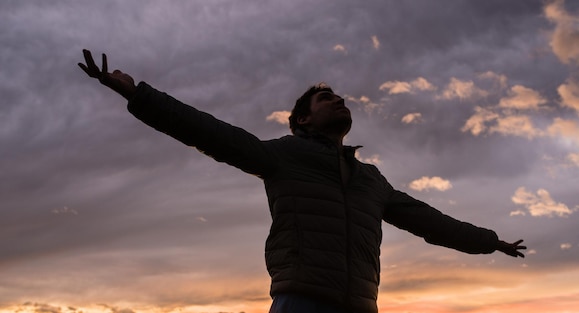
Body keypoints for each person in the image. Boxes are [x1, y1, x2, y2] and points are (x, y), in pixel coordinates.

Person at [78, 49, 526, 313]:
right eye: (327, 98)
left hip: (360, 305)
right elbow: (208, 132)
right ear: (303, 118)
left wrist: (491, 242)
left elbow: (430, 221)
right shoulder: (283, 156)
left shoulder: (372, 181)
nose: (340, 101)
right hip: (302, 302)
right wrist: (139, 95)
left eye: (341, 97)